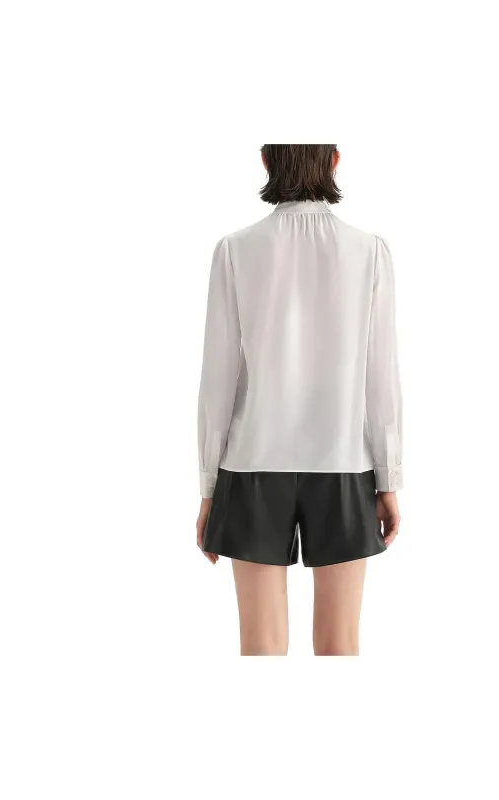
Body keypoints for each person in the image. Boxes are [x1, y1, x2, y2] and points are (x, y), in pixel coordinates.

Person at [195, 144, 403, 656]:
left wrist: (209, 488)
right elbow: (382, 378)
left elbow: (217, 380)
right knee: (340, 645)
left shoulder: (234, 251)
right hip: (344, 465)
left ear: (267, 162)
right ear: (334, 161)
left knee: (260, 647)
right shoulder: (370, 251)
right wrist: (389, 478)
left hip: (251, 467)